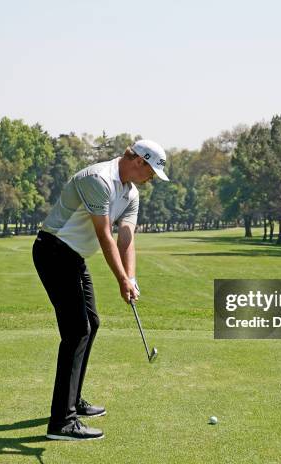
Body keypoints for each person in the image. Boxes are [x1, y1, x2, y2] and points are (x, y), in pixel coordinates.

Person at [32, 140, 169, 441]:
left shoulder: (131, 193)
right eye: (152, 172)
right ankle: (61, 423)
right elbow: (104, 234)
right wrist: (120, 279)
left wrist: (130, 277)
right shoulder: (99, 179)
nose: (151, 180)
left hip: (74, 256)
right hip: (53, 251)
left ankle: (73, 401)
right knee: (76, 330)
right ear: (139, 162)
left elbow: (126, 236)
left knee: (90, 324)